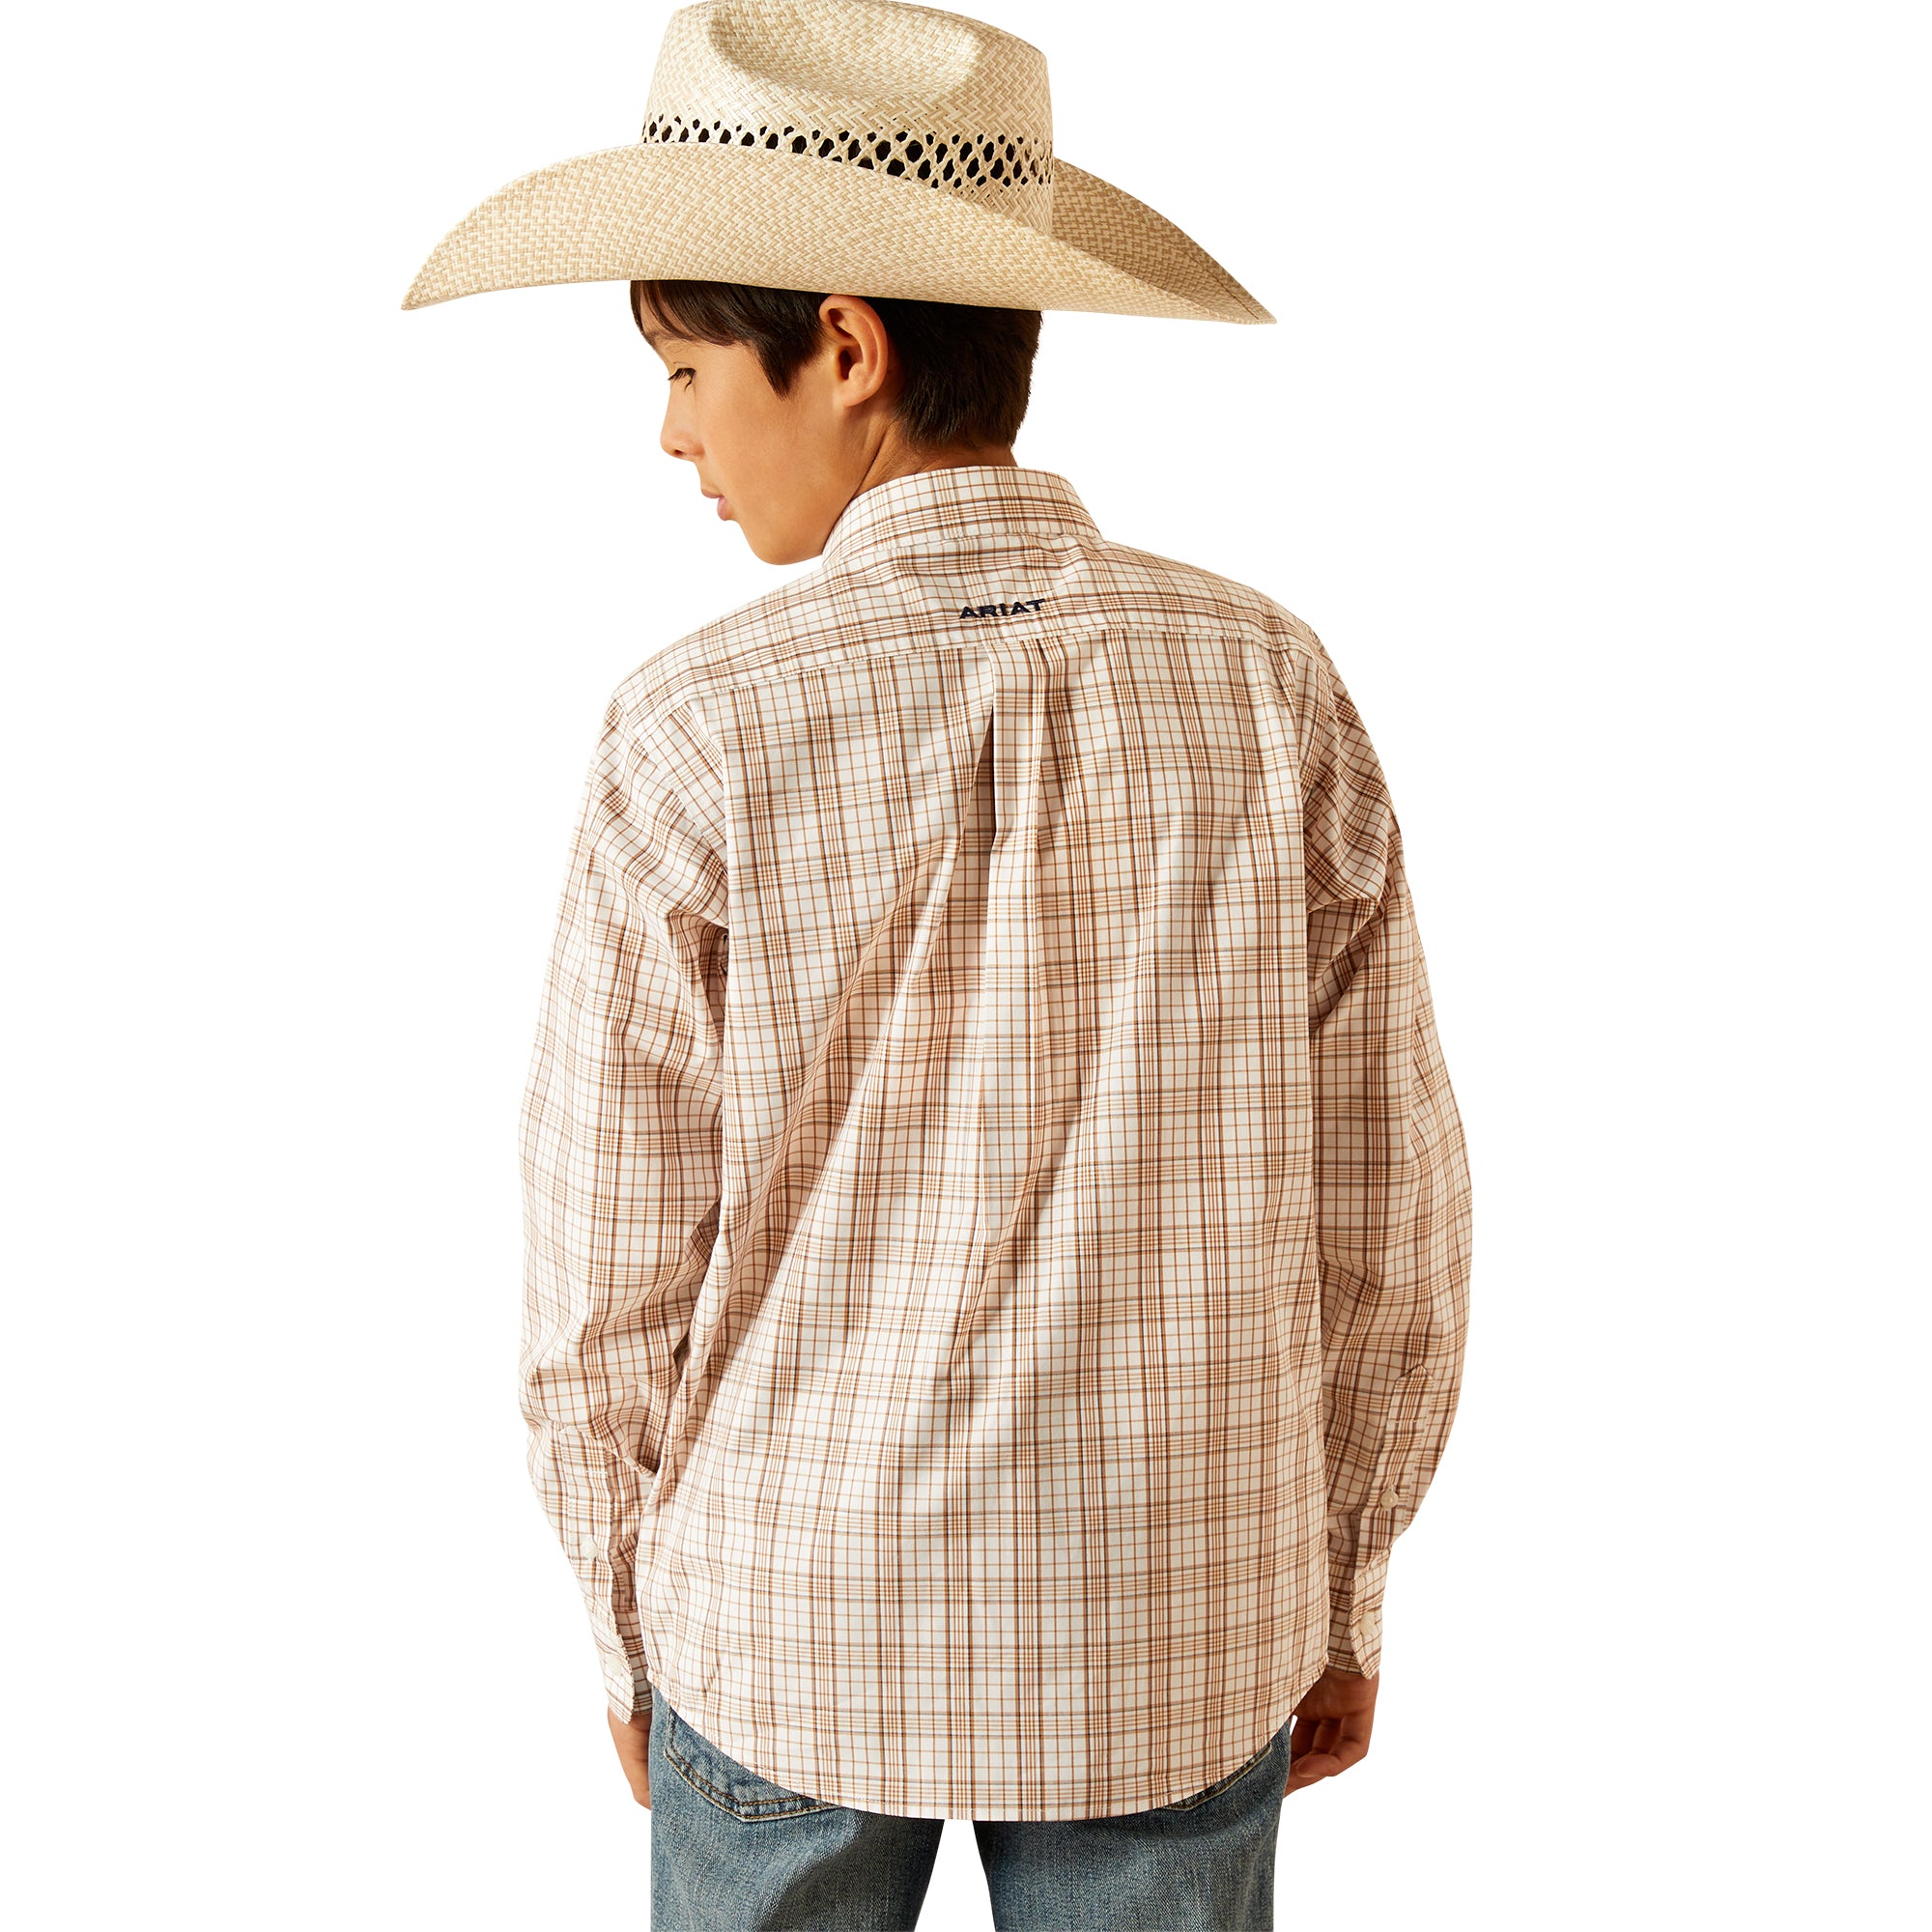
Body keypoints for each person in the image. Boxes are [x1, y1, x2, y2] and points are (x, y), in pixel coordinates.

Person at [404, 4, 1472, 1926]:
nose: (670, 433)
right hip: (1178, 1615)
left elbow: (601, 1270)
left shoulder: (693, 726)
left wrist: (624, 1619)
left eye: (683, 366)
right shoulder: (1267, 684)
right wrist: (1340, 1577)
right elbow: (1388, 1216)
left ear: (844, 345)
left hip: (786, 1623)